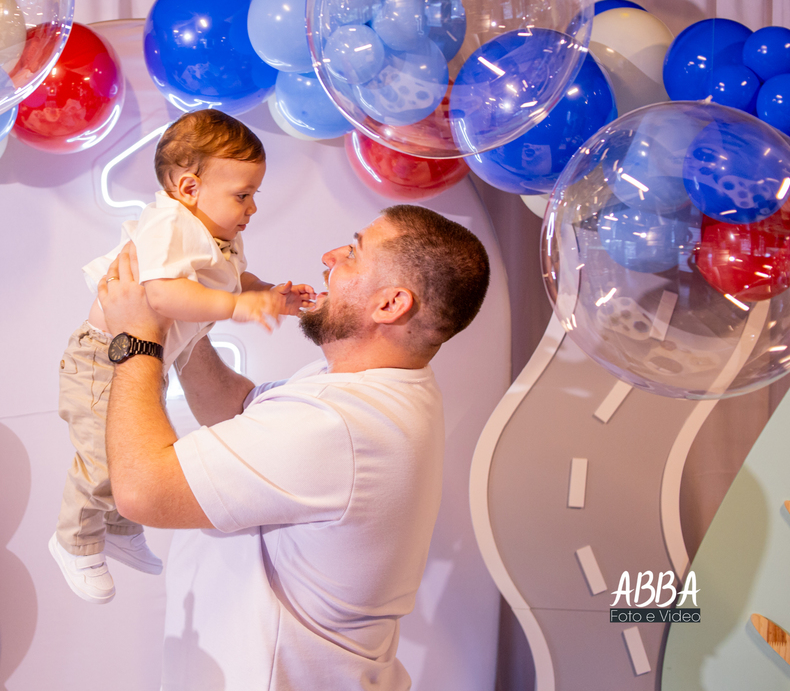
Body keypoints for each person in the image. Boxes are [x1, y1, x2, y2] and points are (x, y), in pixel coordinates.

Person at [95, 204, 490, 689]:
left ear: (390, 304)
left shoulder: (338, 424)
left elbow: (142, 490)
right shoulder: (377, 388)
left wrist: (137, 339)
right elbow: (237, 411)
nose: (330, 256)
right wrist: (185, 324)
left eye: (353, 253)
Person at [50, 110, 314, 604]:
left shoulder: (219, 234)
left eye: (254, 194)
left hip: (146, 358)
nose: (253, 207)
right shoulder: (171, 223)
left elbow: (231, 281)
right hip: (101, 358)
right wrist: (237, 308)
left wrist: (268, 294)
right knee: (104, 455)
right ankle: (73, 540)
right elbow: (162, 294)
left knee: (133, 446)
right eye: (243, 195)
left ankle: (119, 528)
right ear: (189, 188)